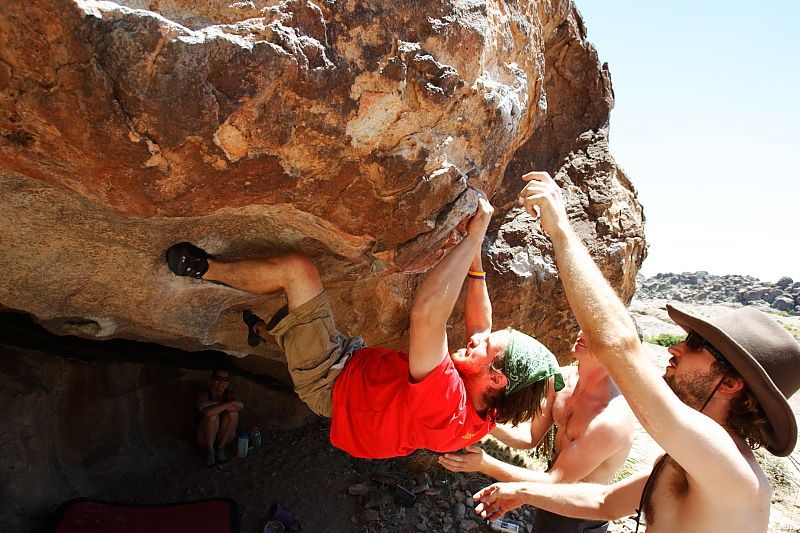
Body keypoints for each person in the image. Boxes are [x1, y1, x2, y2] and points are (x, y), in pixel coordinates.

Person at [474, 171, 800, 533]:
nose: (676, 347)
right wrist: (523, 492)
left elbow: (619, 346)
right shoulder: (686, 460)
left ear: (730, 384)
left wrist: (561, 230)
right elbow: (604, 502)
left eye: (696, 345)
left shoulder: (727, 467)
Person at [166, 191, 564, 459]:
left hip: (329, 381)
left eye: (488, 347)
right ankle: (261, 332)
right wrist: (475, 258)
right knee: (293, 332)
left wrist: (473, 237)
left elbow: (428, 313)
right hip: (354, 366)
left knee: (298, 272)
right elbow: (482, 323)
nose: (477, 340)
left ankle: (204, 269)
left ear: (497, 379)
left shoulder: (447, 406)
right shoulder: (489, 409)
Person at [440, 330, 635, 533]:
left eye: (596, 333)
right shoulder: (563, 379)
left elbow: (558, 480)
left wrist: (484, 464)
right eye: (584, 325)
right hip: (551, 492)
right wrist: (480, 419)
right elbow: (529, 437)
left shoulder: (609, 420)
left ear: (617, 352)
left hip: (578, 515)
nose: (582, 333)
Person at [196, 367, 244, 467]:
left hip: (225, 437)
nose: (222, 382)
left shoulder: (230, 395)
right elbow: (208, 413)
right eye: (218, 378)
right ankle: (210, 451)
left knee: (233, 414)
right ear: (212, 379)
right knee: (212, 417)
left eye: (225, 379)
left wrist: (213, 405)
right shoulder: (204, 395)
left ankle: (221, 447)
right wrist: (229, 403)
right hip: (205, 438)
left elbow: (239, 408)